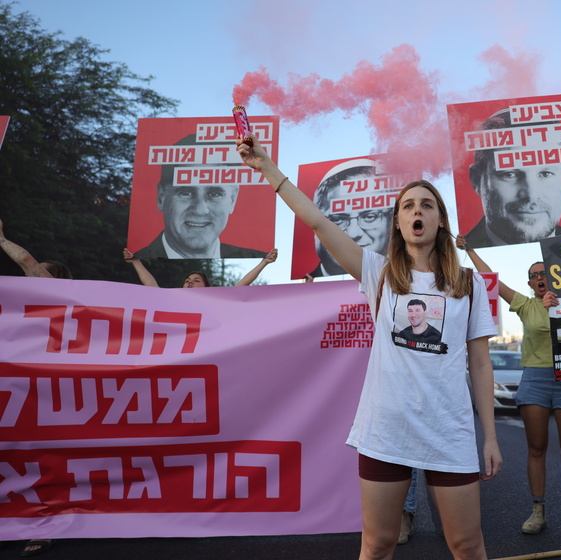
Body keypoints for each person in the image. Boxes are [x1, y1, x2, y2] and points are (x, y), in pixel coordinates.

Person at [237, 135, 501, 560]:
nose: (417, 211)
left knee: (468, 546)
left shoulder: (468, 285)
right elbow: (319, 223)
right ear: (397, 222)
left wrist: (489, 437)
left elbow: (481, 363)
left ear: (440, 222)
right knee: (377, 544)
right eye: (408, 206)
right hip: (386, 432)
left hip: (449, 433)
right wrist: (268, 169)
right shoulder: (376, 272)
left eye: (427, 205)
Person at [457, 235, 561, 536]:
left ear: (554, 275)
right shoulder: (523, 304)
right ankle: (538, 512)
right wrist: (469, 249)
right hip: (534, 379)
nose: (539, 277)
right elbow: (489, 279)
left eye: (544, 272)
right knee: (536, 448)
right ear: (530, 284)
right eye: (534, 275)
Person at [0, 219, 62, 557]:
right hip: (20, 386)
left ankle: (47, 523)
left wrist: (1, 240)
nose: (32, 273)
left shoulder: (56, 294)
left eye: (44, 270)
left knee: (43, 458)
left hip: (45, 389)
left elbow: (27, 263)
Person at [135, 135, 264, 260]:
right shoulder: (136, 262)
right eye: (185, 193)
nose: (200, 210)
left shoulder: (261, 258)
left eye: (214, 194)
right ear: (161, 198)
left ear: (232, 199)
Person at [463, 108, 561, 248]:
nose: (531, 195)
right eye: (510, 174)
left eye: (545, 174)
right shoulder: (461, 255)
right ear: (477, 181)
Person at [310, 158, 391, 277]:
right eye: (338, 219)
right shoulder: (296, 294)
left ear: (391, 221)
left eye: (369, 216)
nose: (353, 233)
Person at [122, 248, 278, 287]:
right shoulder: (172, 300)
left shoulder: (214, 302)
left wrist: (264, 262)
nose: (190, 282)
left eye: (197, 281)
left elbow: (241, 285)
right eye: (188, 280)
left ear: (206, 287)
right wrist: (136, 262)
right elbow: (152, 286)